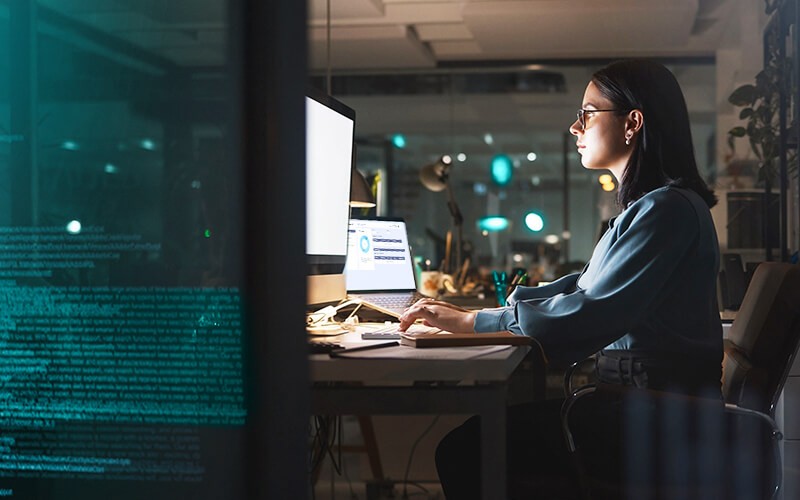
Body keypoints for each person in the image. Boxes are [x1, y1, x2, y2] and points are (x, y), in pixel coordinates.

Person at [398, 59, 722, 498]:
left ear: (633, 123)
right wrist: (487, 315)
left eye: (587, 113)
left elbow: (589, 312)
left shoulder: (665, 210)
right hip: (644, 408)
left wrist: (476, 323)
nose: (575, 127)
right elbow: (582, 286)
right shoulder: (654, 208)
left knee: (464, 448)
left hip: (651, 420)